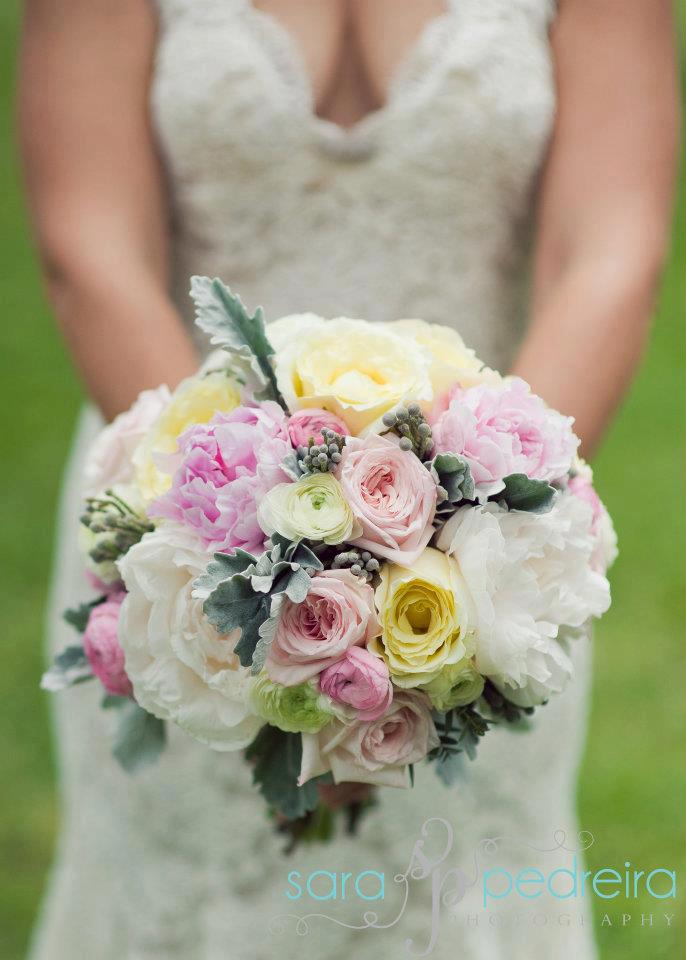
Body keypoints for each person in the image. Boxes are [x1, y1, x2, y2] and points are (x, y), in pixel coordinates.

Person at [19, 1, 678, 958]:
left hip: (484, 562)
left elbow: (609, 255)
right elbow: (91, 247)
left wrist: (465, 565)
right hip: (174, 534)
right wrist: (228, 576)